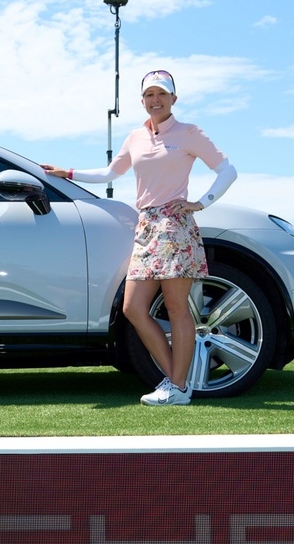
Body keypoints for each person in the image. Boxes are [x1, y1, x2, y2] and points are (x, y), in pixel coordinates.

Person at [41, 70, 238, 406]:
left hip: (175, 226)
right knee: (133, 307)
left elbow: (227, 170)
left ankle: (177, 386)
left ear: (174, 99)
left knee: (177, 309)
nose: (155, 100)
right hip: (146, 226)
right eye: (149, 95)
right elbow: (110, 173)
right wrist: (67, 173)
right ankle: (176, 383)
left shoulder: (189, 133)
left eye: (162, 94)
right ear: (142, 100)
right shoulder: (135, 137)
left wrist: (200, 203)